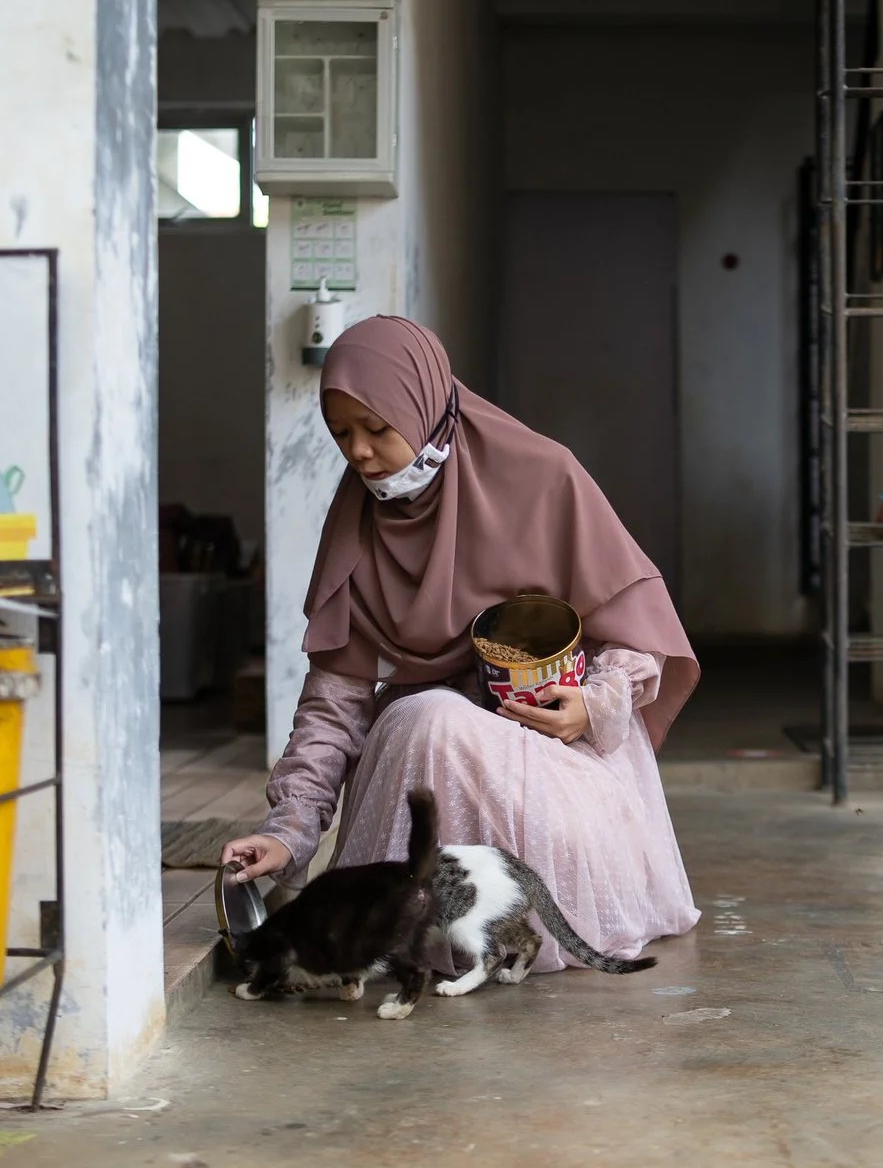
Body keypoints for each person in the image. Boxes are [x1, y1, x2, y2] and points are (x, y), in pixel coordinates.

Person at [218, 314, 699, 971]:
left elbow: (634, 636)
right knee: (425, 716)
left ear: (425, 406)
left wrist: (594, 703)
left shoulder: (543, 477)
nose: (359, 452)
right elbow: (333, 706)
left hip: (561, 764)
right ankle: (428, 930)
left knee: (426, 718)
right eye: (342, 433)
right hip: (434, 765)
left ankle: (496, 924)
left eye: (377, 429)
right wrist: (289, 832)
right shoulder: (359, 531)